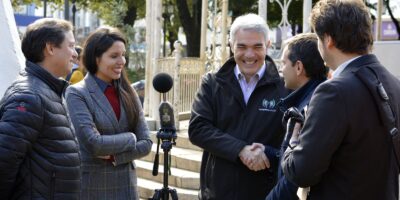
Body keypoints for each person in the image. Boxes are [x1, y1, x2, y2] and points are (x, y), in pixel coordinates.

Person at [282, 0, 400, 199]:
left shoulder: (333, 92)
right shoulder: (393, 83)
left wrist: (293, 140)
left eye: (318, 38)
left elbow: (301, 172)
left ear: (328, 39)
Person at [189, 13, 289, 200]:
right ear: (231, 45)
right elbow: (198, 129)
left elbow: (293, 144)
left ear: (267, 45)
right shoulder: (212, 83)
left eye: (257, 46)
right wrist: (240, 150)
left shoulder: (284, 87)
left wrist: (267, 153)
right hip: (218, 193)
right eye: (242, 46)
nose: (249, 55)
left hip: (267, 194)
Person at [65, 26, 152, 200]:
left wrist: (114, 155)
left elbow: (147, 143)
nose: (122, 61)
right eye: (114, 56)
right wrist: (131, 138)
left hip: (127, 187)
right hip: (93, 188)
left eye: (123, 55)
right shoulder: (76, 93)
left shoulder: (129, 92)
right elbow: (94, 144)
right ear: (96, 58)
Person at [0, 18, 81, 199]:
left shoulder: (47, 91)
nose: (75, 54)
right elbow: (4, 162)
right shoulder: (29, 97)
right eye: (71, 46)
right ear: (50, 48)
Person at [266, 33, 328, 200]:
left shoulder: (309, 108)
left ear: (299, 67)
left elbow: (294, 177)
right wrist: (269, 152)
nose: (280, 69)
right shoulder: (312, 99)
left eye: (283, 63)